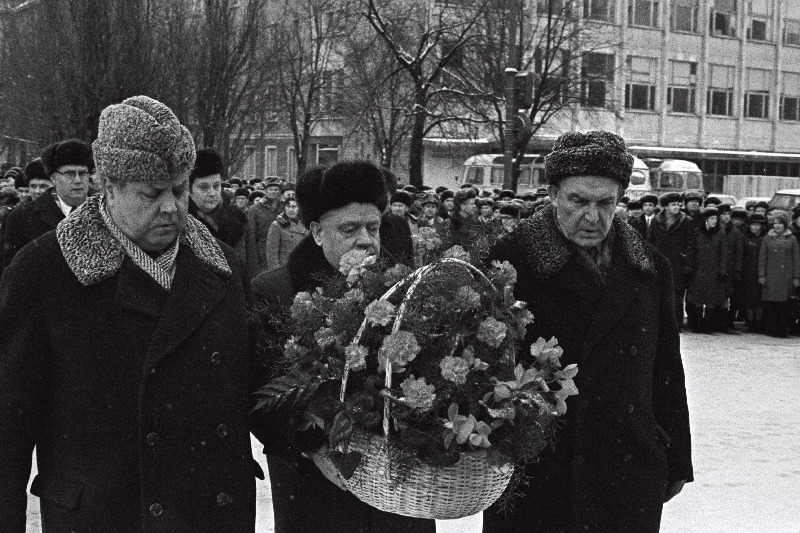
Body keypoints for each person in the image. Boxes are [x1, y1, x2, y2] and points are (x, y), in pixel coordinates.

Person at [0, 95, 269, 532]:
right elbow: (7, 429)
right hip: (105, 514)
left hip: (210, 512)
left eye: (180, 190)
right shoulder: (44, 271)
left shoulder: (220, 265)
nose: (171, 206)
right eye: (151, 194)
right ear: (107, 186)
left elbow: (254, 382)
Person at [483, 131, 692, 533]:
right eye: (578, 201)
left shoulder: (650, 267)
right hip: (536, 470)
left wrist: (675, 456)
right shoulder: (510, 262)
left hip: (627, 465)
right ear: (553, 195)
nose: (592, 217)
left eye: (605, 203)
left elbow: (666, 368)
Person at [251, 161, 435, 533]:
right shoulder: (274, 293)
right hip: (314, 496)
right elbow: (261, 404)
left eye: (373, 227)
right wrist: (327, 423)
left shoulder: (404, 289)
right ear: (317, 232)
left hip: (399, 500)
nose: (366, 240)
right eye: (349, 229)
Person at [1, 139, 93, 271]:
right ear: (54, 178)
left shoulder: (107, 210)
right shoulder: (21, 218)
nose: (78, 180)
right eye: (70, 174)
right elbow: (10, 276)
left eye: (83, 173)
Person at [188, 148, 254, 280]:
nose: (212, 193)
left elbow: (252, 263)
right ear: (189, 189)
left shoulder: (239, 219)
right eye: (204, 187)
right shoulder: (183, 224)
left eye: (216, 186)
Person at [647, 192, 693, 329]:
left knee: (677, 296)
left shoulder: (686, 221)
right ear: (666, 207)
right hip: (659, 263)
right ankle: (659, 323)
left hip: (678, 264)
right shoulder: (656, 221)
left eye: (678, 205)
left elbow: (690, 244)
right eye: (673, 204)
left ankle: (676, 324)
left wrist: (688, 263)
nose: (676, 207)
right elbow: (650, 242)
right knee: (659, 294)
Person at [686, 206, 728, 333]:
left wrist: (722, 270)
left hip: (713, 270)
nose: (714, 221)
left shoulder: (720, 233)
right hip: (698, 269)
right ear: (705, 219)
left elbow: (724, 253)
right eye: (711, 218)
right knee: (697, 298)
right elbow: (691, 250)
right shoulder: (697, 232)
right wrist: (689, 266)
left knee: (711, 299)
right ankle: (697, 324)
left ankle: (709, 325)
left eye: (715, 218)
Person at [758, 210, 800, 337]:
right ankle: (771, 329)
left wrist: (796, 277)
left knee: (784, 305)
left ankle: (782, 329)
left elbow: (796, 259)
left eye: (780, 223)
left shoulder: (792, 239)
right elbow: (762, 258)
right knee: (771, 304)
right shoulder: (767, 238)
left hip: (786, 277)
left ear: (785, 225)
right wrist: (761, 275)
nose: (777, 226)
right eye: (775, 223)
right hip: (771, 277)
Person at [247, 176, 283, 278]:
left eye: (276, 189)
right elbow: (251, 235)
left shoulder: (285, 207)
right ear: (265, 191)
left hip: (283, 250)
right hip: (262, 251)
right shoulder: (255, 209)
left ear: (280, 191)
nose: (273, 192)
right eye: (270, 189)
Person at [265, 196, 307, 271]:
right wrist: (276, 273)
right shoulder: (277, 225)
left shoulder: (305, 224)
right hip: (285, 269)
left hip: (303, 267)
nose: (291, 210)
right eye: (288, 206)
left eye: (294, 206)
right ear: (284, 208)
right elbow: (272, 254)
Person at [742, 213, 766, 331]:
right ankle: (750, 322)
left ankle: (759, 322)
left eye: (758, 225)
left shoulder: (765, 239)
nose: (755, 228)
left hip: (761, 272)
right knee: (749, 299)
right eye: (753, 225)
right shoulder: (744, 238)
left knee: (760, 300)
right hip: (748, 272)